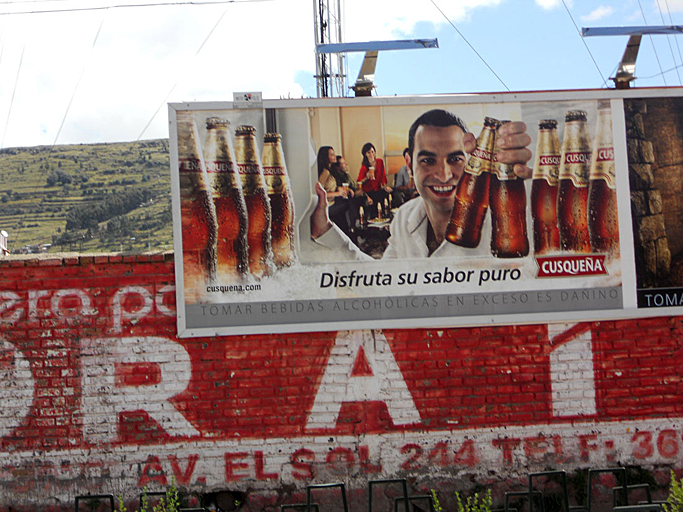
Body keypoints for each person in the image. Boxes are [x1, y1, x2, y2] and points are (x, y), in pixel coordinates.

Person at [309, 109, 532, 260]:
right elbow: (381, 283)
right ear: (410, 164)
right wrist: (325, 230)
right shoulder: (405, 219)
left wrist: (518, 186)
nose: (444, 175)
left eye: (455, 159)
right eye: (427, 160)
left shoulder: (500, 219)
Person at [316, 146, 352, 237]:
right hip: (327, 206)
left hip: (332, 202)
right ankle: (351, 233)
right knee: (347, 204)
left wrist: (338, 188)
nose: (335, 156)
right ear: (326, 157)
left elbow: (329, 187)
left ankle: (350, 232)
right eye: (332, 154)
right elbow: (319, 192)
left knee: (348, 203)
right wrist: (337, 193)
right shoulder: (325, 172)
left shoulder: (330, 170)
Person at [357, 142, 392, 218]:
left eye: (372, 152)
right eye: (368, 152)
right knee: (373, 203)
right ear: (365, 154)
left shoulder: (380, 162)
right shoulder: (364, 167)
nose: (371, 154)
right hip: (368, 191)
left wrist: (385, 186)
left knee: (390, 195)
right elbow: (359, 182)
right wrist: (366, 177)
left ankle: (385, 218)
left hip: (378, 189)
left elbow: (383, 176)